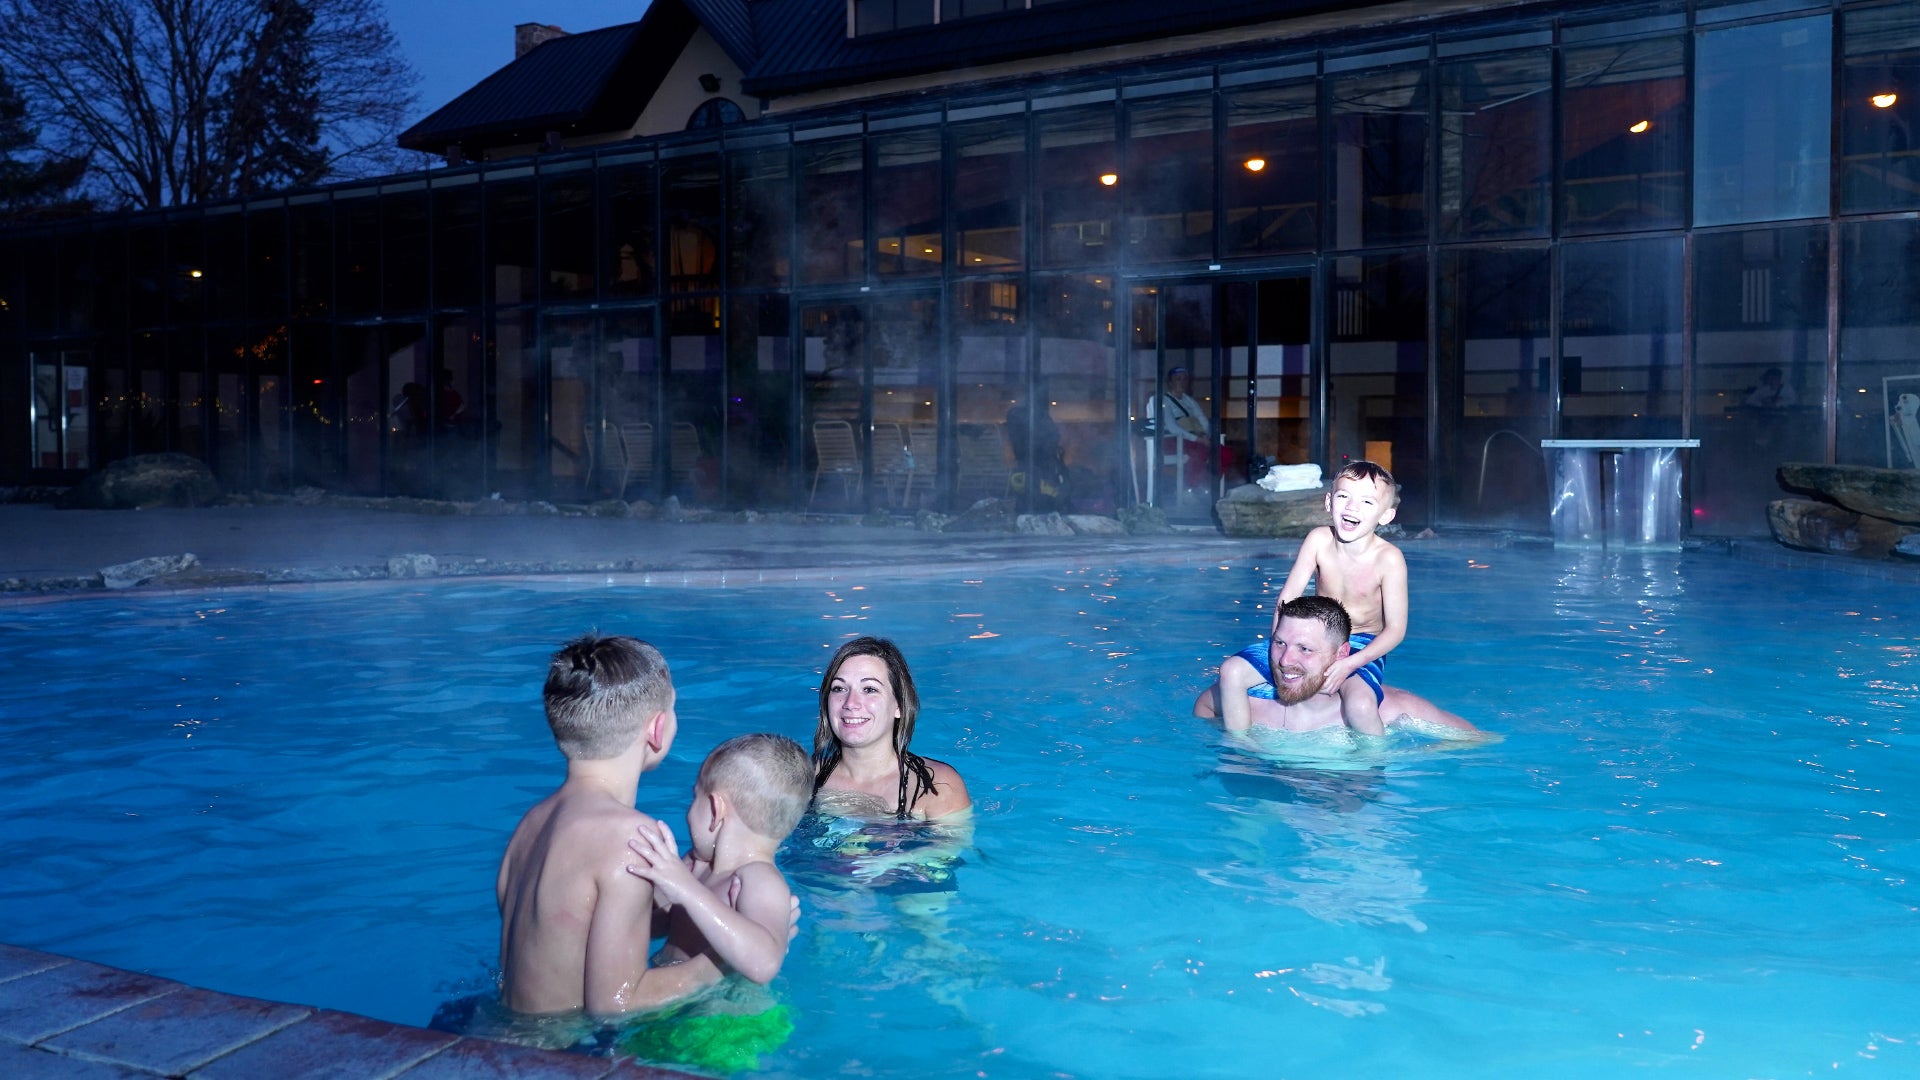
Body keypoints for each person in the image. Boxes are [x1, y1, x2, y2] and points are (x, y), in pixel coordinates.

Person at [496, 633, 690, 1018]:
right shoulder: (630, 837)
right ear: (657, 729)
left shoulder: (531, 823)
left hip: (502, 1036)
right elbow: (617, 1005)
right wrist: (717, 966)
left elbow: (571, 937)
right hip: (566, 1054)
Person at [1218, 460, 1407, 735]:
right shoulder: (1318, 540)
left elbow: (1396, 630)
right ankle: (1241, 751)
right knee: (1231, 672)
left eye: (1367, 502)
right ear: (1329, 502)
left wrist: (1351, 663)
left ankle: (1370, 770)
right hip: (1313, 636)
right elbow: (1286, 600)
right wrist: (1277, 648)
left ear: (1386, 516)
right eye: (1344, 496)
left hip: (1361, 644)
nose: (1352, 507)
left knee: (1361, 706)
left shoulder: (1389, 559)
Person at [624, 733, 813, 992]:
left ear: (716, 809)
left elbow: (764, 964)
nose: (689, 810)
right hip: (670, 996)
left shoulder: (759, 879)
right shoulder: (696, 866)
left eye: (695, 797)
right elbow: (651, 929)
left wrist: (686, 890)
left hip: (730, 1024)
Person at [1194, 595, 1477, 735]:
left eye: (1305, 649)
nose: (1285, 661)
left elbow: (1476, 742)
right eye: (1279, 643)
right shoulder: (1247, 704)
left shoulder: (1390, 711)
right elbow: (1202, 711)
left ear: (1341, 654)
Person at [811, 636, 970, 820]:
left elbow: (950, 848)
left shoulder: (937, 787)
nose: (850, 703)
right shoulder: (804, 779)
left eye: (869, 689)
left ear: (899, 706)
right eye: (839, 688)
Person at [1145, 366, 1217, 490]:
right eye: (1178, 379)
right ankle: (1189, 488)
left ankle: (1208, 487)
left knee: (1224, 453)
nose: (1182, 382)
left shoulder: (1190, 401)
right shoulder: (1162, 400)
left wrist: (1205, 435)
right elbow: (1172, 427)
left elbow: (1202, 419)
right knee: (1200, 452)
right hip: (1172, 440)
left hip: (1194, 439)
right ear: (1170, 382)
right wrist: (1198, 439)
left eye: (1185, 379)